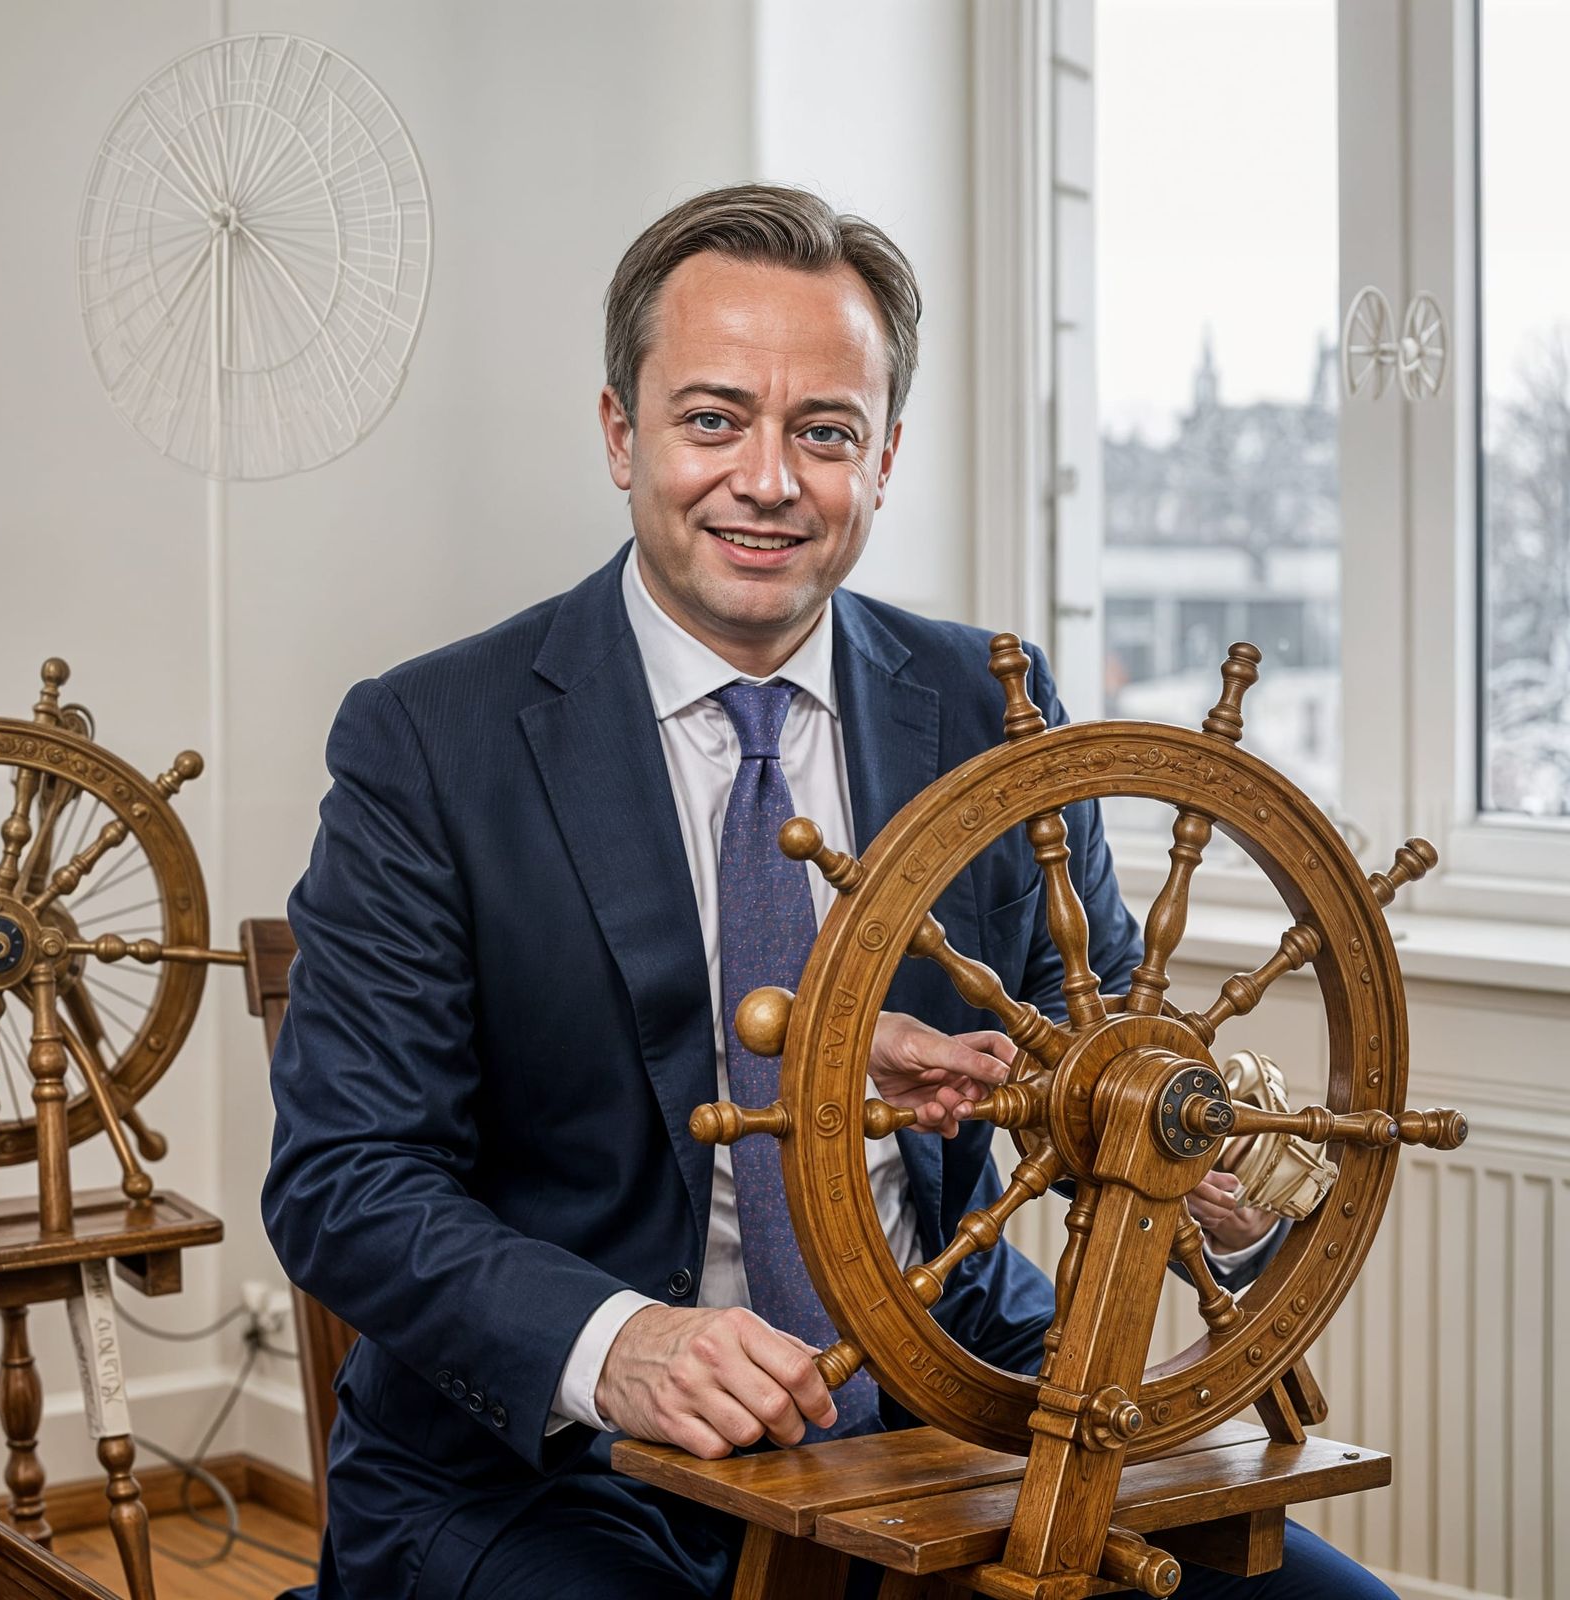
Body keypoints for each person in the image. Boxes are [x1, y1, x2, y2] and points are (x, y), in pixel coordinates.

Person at [263, 185, 1391, 1599]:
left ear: (885, 456)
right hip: (553, 1470)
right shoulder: (431, 740)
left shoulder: (994, 705)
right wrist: (624, 1344)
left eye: (825, 432)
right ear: (622, 433)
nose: (769, 479)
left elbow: (1089, 1038)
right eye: (713, 418)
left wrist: (1215, 1160)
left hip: (947, 1406)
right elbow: (344, 1184)